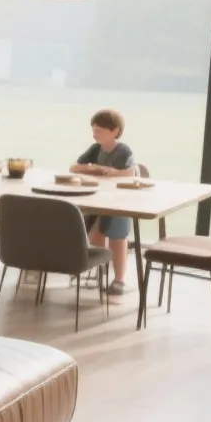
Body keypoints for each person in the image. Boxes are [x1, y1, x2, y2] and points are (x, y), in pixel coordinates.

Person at [71, 108, 137, 294]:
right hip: (98, 200)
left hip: (119, 201)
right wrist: (95, 168)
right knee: (94, 234)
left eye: (99, 130)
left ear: (115, 130)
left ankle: (119, 280)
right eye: (93, 130)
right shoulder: (95, 149)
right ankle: (101, 272)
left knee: (117, 236)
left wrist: (111, 172)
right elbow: (75, 167)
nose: (94, 134)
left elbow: (131, 172)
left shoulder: (123, 151)